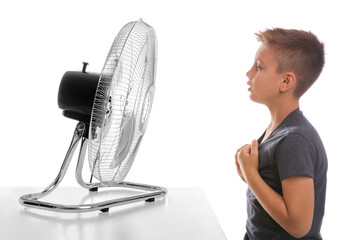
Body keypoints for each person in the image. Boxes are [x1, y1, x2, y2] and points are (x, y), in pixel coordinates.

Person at [235, 28, 327, 240]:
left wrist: (252, 175)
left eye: (258, 67)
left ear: (286, 81)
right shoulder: (277, 131)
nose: (248, 74)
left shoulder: (294, 139)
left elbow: (298, 225)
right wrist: (251, 176)